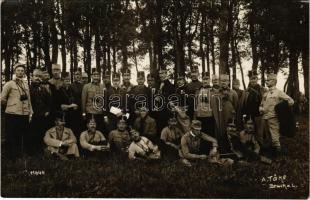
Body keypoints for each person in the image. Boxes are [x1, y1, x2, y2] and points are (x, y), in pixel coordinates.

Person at [1, 63, 33, 159]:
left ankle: (18, 155)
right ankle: (10, 156)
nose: (20, 72)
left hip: (24, 114)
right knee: (11, 135)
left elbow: (29, 99)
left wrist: (30, 111)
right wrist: (10, 106)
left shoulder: (26, 84)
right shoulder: (9, 84)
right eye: (18, 70)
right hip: (12, 114)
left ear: (24, 73)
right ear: (15, 72)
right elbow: (2, 98)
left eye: (22, 71)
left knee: (20, 135)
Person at [260, 73, 294, 155]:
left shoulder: (279, 92)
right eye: (266, 80)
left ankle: (278, 151)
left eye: (268, 80)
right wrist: (260, 108)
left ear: (274, 81)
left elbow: (291, 101)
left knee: (274, 134)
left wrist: (281, 108)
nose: (266, 82)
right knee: (268, 135)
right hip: (265, 117)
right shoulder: (266, 93)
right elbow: (262, 103)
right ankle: (272, 149)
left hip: (273, 117)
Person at [28, 69, 52, 155]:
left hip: (43, 115)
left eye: (40, 76)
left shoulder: (43, 89)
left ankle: (40, 151)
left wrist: (48, 111)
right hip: (32, 115)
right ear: (32, 77)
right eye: (36, 76)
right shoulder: (28, 88)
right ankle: (31, 152)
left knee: (41, 133)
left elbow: (49, 101)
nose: (38, 78)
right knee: (32, 134)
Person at [81, 69, 106, 133]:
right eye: (94, 75)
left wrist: (104, 113)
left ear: (99, 76)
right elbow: (83, 100)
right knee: (90, 130)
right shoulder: (86, 86)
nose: (96, 77)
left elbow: (104, 99)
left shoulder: (103, 86)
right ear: (92, 76)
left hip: (100, 113)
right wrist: (83, 113)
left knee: (99, 130)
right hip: (90, 112)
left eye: (97, 75)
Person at [58, 72, 80, 137]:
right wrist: (70, 106)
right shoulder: (59, 91)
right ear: (62, 80)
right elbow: (60, 105)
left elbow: (76, 100)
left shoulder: (71, 89)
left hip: (73, 115)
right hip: (64, 115)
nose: (68, 82)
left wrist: (76, 105)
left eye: (69, 80)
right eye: (66, 80)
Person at [195, 71, 215, 137]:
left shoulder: (213, 90)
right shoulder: (198, 90)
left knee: (209, 133)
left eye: (207, 79)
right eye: (204, 79)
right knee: (200, 133)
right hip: (199, 115)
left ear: (210, 80)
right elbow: (196, 103)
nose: (205, 81)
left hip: (209, 116)